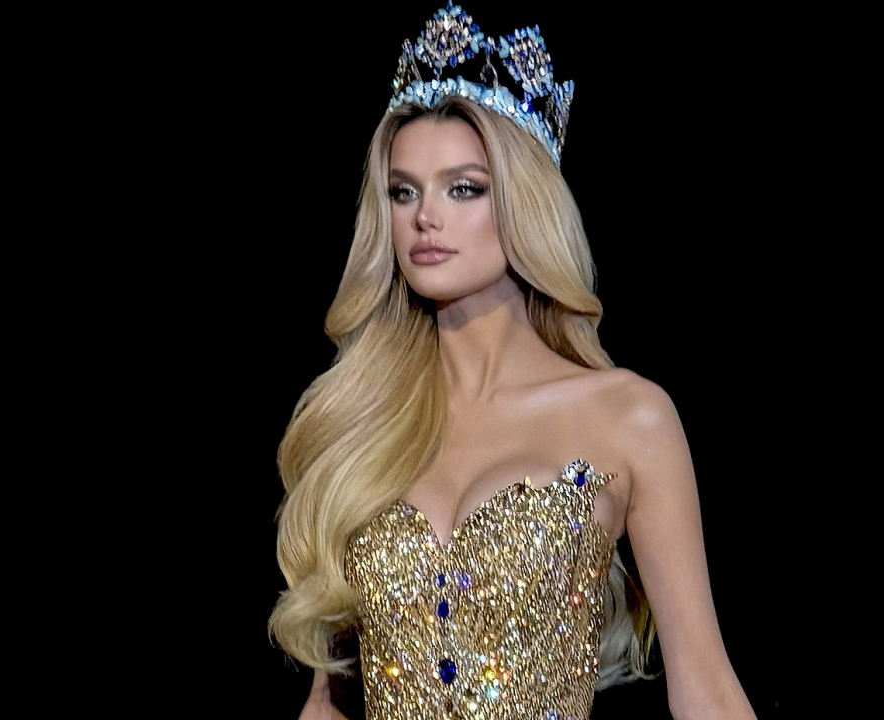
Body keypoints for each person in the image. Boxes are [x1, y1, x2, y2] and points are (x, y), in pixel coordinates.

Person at [270, 4, 756, 719]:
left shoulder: (628, 418)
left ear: (524, 203)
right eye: (404, 191)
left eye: (464, 187)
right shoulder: (362, 422)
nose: (425, 216)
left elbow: (705, 686)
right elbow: (329, 700)